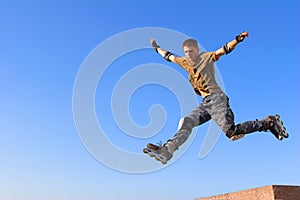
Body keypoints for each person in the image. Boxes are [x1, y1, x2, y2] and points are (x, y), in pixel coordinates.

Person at [143, 31, 288, 164]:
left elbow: (223, 50)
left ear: (197, 50)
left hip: (217, 99)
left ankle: (268, 123)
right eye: (186, 52)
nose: (189, 55)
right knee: (186, 122)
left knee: (232, 132)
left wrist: (237, 40)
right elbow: (168, 56)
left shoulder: (206, 57)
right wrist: (156, 47)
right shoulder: (185, 62)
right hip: (205, 104)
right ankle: (168, 150)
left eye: (191, 51)